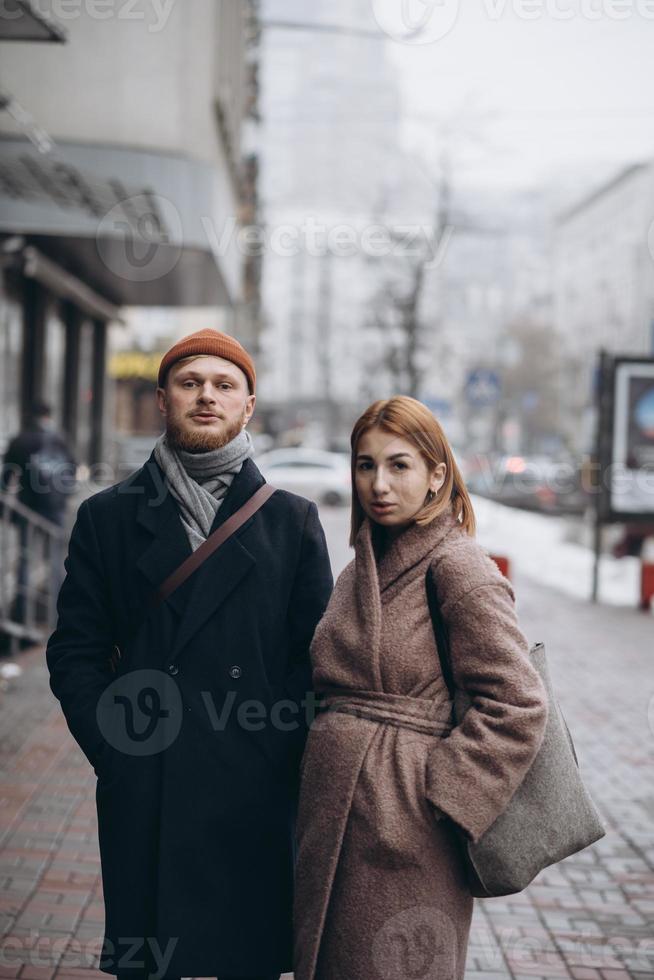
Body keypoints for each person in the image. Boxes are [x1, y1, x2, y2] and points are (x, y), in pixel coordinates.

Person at [46, 328, 333, 980]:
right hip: (150, 782)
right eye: (190, 382)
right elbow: (76, 651)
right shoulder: (108, 517)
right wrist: (115, 750)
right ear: (162, 399)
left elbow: (316, 659)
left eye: (224, 384)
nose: (207, 396)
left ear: (247, 405)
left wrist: (276, 748)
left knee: (245, 961)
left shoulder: (292, 522)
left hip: (253, 788)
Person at [293, 395, 549, 980]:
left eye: (399, 465)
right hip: (336, 815)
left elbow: (517, 701)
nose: (378, 483)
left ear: (437, 475)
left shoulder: (459, 567)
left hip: (408, 828)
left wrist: (441, 796)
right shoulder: (363, 565)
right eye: (365, 465)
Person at [1, 401, 76, 629]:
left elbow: (6, 479)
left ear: (28, 415)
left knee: (25, 559)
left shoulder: (21, 441)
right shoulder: (60, 439)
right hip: (55, 509)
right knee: (55, 561)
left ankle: (24, 612)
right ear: (49, 416)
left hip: (30, 509)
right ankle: (57, 613)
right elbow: (72, 470)